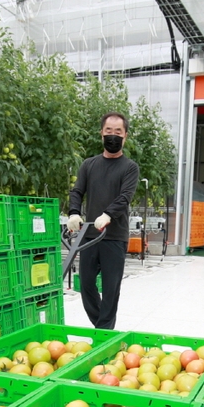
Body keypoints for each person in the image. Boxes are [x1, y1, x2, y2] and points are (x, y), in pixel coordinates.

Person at [67, 112, 139, 330]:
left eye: (118, 132)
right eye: (109, 131)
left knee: (110, 288)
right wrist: (73, 212)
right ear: (101, 133)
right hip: (89, 236)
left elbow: (125, 197)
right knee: (86, 283)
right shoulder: (89, 165)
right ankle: (102, 326)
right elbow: (77, 191)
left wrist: (108, 214)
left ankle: (104, 332)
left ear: (125, 136)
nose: (113, 136)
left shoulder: (129, 167)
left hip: (114, 236)